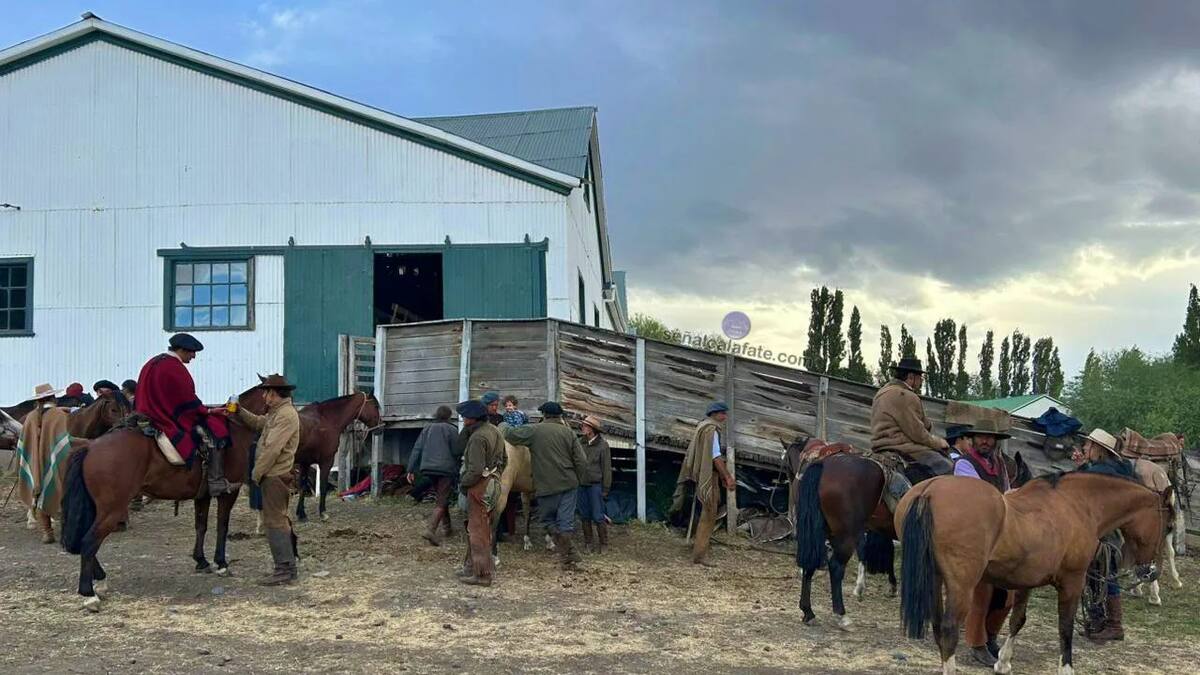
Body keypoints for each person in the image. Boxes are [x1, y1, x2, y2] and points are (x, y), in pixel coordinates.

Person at [135, 333, 233, 491]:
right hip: (165, 417)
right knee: (215, 430)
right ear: (181, 349)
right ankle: (216, 482)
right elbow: (187, 400)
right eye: (191, 352)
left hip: (146, 413)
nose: (193, 356)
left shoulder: (152, 362)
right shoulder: (174, 368)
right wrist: (207, 411)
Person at [953, 419, 1014, 668]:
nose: (986, 441)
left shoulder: (1000, 464)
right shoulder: (964, 464)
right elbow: (977, 497)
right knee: (981, 592)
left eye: (990, 437)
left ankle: (990, 636)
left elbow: (1007, 493)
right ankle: (976, 643)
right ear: (972, 439)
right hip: (974, 532)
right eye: (981, 437)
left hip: (1000, 531)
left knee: (1008, 594)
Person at [233, 374, 302, 586]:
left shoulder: (286, 416)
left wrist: (256, 473)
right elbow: (259, 423)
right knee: (276, 520)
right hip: (272, 474)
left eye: (266, 392)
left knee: (275, 522)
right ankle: (287, 567)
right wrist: (239, 411)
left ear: (274, 394)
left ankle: (284, 569)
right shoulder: (278, 414)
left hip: (275, 475)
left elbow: (272, 449)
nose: (264, 396)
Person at [504, 402, 589, 569]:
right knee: (565, 523)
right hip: (568, 484)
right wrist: (577, 479)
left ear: (543, 415)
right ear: (560, 416)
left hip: (545, 484)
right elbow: (582, 460)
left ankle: (569, 555)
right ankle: (568, 557)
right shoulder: (569, 433)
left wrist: (504, 426)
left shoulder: (535, 430)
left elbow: (512, 436)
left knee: (547, 520)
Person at [1073, 428, 1133, 642]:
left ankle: (1114, 625)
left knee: (1105, 575)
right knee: (1098, 575)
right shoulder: (1117, 469)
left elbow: (1076, 485)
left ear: (1098, 448)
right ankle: (1099, 621)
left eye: (1088, 445)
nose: (1084, 448)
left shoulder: (1100, 472)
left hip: (1106, 532)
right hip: (1110, 531)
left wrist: (1080, 469)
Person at [672, 401, 736, 567]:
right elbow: (715, 457)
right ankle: (700, 555)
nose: (725, 416)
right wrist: (727, 477)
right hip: (708, 477)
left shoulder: (702, 427)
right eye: (722, 413)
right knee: (709, 513)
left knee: (705, 513)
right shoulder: (710, 430)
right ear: (714, 414)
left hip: (702, 475)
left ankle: (699, 548)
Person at [870, 357, 951, 482]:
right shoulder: (906, 395)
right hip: (903, 447)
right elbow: (917, 433)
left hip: (879, 446)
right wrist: (938, 443)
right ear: (911, 377)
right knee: (947, 467)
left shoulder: (881, 393)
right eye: (920, 378)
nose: (921, 381)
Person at [456, 399, 506, 586]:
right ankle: (471, 567)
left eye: (464, 416)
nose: (462, 419)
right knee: (483, 528)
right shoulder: (495, 431)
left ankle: (482, 574)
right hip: (493, 484)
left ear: (471, 418)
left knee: (478, 532)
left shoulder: (478, 438)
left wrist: (464, 483)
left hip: (479, 486)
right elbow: (504, 460)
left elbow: (475, 470)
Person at [15, 383, 71, 544]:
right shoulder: (58, 415)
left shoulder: (31, 416)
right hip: (54, 462)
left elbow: (23, 444)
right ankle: (66, 532)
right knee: (62, 493)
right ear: (53, 397)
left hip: (34, 464)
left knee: (38, 493)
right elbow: (64, 442)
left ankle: (47, 533)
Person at [407, 405, 461, 546]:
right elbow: (457, 451)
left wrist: (410, 469)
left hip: (428, 469)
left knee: (442, 498)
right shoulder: (452, 430)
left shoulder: (427, 429)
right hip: (446, 470)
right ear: (449, 416)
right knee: (442, 500)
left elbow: (417, 448)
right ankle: (430, 530)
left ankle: (447, 528)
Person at [577, 415, 612, 554]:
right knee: (584, 515)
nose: (583, 428)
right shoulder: (580, 443)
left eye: (585, 426)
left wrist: (605, 488)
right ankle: (588, 543)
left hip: (595, 485)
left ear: (592, 429)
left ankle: (604, 544)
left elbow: (606, 468)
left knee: (598, 515)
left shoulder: (603, 446)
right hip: (581, 484)